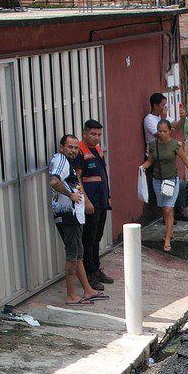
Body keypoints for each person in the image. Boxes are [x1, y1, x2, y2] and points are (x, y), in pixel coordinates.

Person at [47, 134, 101, 306]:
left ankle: (87, 290)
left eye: (76, 147)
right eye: (70, 147)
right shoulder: (61, 160)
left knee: (78, 254)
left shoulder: (64, 161)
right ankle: (71, 295)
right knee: (72, 255)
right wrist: (70, 195)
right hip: (67, 216)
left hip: (73, 215)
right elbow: (54, 182)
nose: (74, 150)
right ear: (62, 147)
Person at [140, 119, 188, 253]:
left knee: (169, 209)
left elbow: (185, 159)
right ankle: (170, 230)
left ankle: (167, 238)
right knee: (164, 210)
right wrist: (142, 168)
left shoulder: (175, 145)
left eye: (165, 131)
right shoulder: (153, 145)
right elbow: (150, 161)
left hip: (171, 182)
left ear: (170, 131)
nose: (162, 134)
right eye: (160, 131)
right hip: (158, 181)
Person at [75, 119, 112, 288]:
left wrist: (108, 196)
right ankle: (89, 273)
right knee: (88, 238)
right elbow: (78, 179)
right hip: (91, 202)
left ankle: (96, 268)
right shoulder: (80, 151)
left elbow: (103, 174)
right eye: (93, 134)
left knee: (97, 237)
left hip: (101, 200)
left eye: (99, 134)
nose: (97, 138)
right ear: (84, 134)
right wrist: (87, 201)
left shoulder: (97, 150)